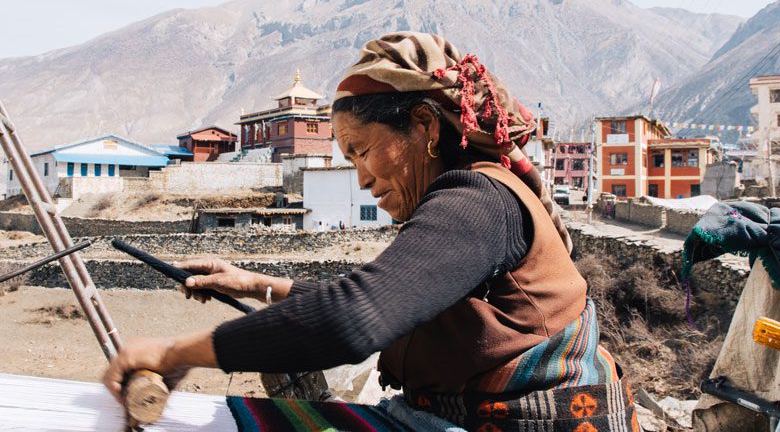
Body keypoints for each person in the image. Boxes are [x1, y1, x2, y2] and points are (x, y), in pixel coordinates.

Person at [103, 32, 637, 431]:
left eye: (361, 150)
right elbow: (395, 301)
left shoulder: (478, 202)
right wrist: (252, 283)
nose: (360, 177)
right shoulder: (474, 196)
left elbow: (354, 317)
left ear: (425, 127)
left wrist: (174, 355)